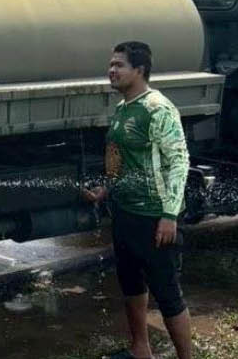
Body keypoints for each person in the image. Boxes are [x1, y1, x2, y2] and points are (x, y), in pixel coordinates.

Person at [83, 41, 194, 359]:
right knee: (131, 283)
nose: (111, 71)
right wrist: (105, 189)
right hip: (125, 214)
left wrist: (169, 214)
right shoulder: (121, 110)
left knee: (167, 292)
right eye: (110, 65)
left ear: (139, 70)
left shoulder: (158, 108)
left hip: (154, 217)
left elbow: (179, 161)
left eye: (119, 65)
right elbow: (118, 160)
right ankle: (140, 349)